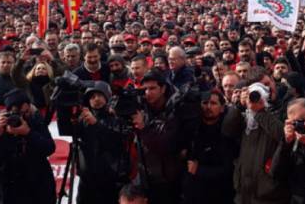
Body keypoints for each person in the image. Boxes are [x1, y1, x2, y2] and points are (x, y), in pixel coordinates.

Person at [222, 81, 288, 204]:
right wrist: (237, 107)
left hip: (267, 192)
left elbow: (283, 136)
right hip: (243, 190)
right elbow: (227, 131)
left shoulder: (278, 113)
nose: (253, 99)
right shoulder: (244, 117)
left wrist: (260, 112)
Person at [0, 89, 56, 204]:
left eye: (26, 112)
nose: (22, 117)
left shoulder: (35, 122)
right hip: (10, 183)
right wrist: (0, 134)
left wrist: (28, 133)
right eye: (18, 114)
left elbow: (49, 148)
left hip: (39, 182)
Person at [76, 81, 133, 204]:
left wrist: (96, 124)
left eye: (99, 95)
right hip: (87, 178)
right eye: (92, 97)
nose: (96, 99)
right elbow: (67, 130)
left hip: (111, 178)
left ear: (107, 96)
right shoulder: (82, 119)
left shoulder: (118, 117)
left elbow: (117, 141)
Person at [132, 71, 183, 203]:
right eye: (145, 89)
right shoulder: (140, 109)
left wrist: (143, 128)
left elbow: (165, 144)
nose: (148, 93)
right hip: (144, 178)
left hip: (169, 182)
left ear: (163, 88)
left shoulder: (175, 111)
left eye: (152, 88)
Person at [183, 90, 238, 204]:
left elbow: (228, 169)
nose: (208, 107)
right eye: (205, 102)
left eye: (213, 103)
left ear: (222, 108)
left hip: (220, 194)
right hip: (195, 193)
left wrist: (199, 170)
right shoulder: (193, 129)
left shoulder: (227, 131)